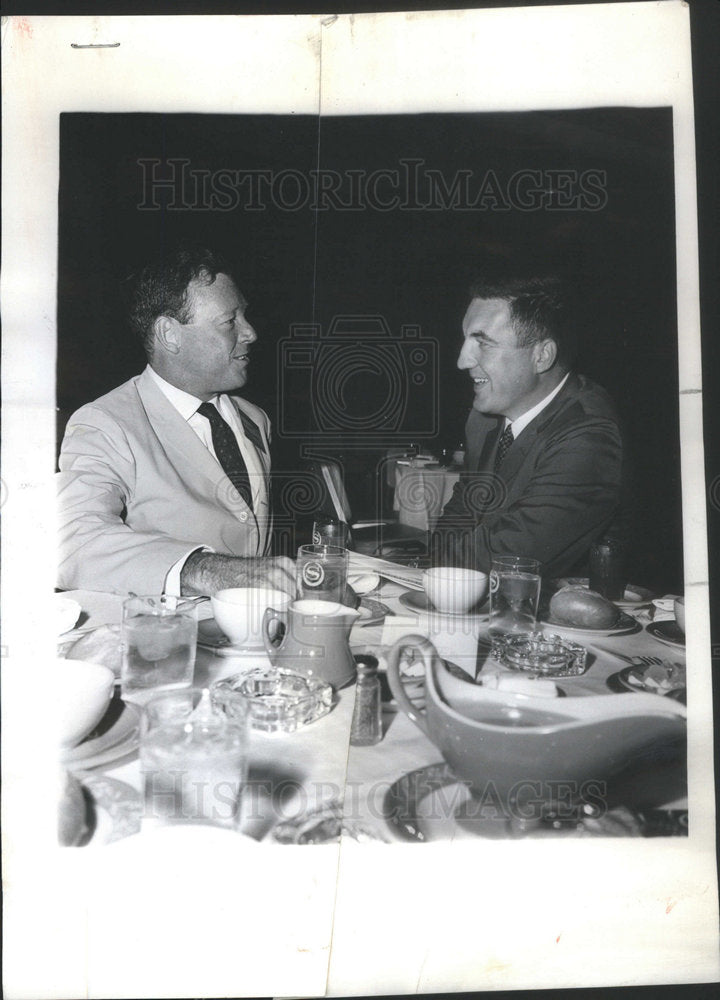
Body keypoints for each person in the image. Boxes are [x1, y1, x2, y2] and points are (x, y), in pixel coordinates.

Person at [57, 243, 295, 597]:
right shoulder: (105, 423)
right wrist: (203, 570)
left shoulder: (254, 418)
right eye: (230, 321)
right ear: (169, 334)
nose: (250, 333)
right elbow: (69, 539)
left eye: (244, 316)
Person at [433, 273, 629, 578]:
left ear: (542, 356)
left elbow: (514, 558)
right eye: (465, 340)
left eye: (483, 343)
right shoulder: (483, 420)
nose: (462, 360)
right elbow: (457, 518)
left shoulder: (588, 435)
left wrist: (439, 567)